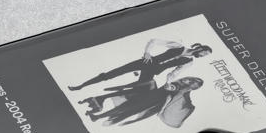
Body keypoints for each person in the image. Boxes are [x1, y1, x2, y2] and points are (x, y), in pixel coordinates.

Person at [68, 39, 211, 91]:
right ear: (200, 48)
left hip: (154, 71)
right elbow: (154, 41)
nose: (202, 56)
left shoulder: (189, 62)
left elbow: (174, 73)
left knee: (141, 90)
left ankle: (114, 93)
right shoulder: (179, 45)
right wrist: (147, 52)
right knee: (112, 73)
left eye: (205, 56)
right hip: (146, 62)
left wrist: (168, 82)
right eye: (204, 53)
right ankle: (81, 86)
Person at [80, 76, 203, 128]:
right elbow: (168, 89)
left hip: (151, 100)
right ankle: (97, 116)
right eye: (191, 79)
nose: (189, 81)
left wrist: (169, 86)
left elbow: (170, 91)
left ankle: (97, 117)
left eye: (191, 82)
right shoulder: (179, 84)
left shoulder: (180, 88)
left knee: (124, 109)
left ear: (191, 86)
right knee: (124, 108)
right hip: (149, 97)